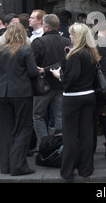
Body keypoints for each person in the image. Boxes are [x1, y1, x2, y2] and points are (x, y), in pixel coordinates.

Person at [51, 23, 100, 182]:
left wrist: (59, 76)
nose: (70, 36)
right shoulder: (91, 53)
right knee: (86, 134)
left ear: (77, 37)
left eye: (72, 34)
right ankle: (86, 169)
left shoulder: (76, 55)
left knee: (70, 135)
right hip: (89, 95)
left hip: (73, 97)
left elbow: (70, 78)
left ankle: (68, 172)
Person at [0, 23, 39, 176]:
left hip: (3, 93)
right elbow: (32, 73)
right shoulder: (26, 49)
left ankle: (6, 167)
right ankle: (18, 166)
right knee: (23, 129)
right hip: (21, 92)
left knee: (6, 131)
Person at [31, 14, 71, 153]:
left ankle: (44, 145)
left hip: (42, 86)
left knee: (38, 115)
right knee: (60, 115)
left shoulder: (38, 42)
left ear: (46, 27)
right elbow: (66, 63)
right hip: (60, 84)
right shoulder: (66, 41)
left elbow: (32, 65)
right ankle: (60, 145)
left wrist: (44, 70)